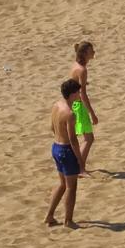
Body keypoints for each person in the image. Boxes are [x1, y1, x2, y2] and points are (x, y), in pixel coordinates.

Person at [45, 79, 86, 228]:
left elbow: (52, 127)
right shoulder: (70, 114)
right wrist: (80, 160)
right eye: (78, 92)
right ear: (72, 94)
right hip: (66, 150)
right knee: (71, 187)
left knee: (62, 184)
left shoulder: (57, 105)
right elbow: (73, 140)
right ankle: (68, 221)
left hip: (56, 147)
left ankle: (49, 215)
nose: (80, 95)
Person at [70, 41, 98, 175]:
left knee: (83, 138)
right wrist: (92, 113)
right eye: (91, 51)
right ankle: (80, 169)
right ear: (85, 53)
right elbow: (83, 94)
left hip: (73, 104)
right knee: (88, 139)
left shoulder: (75, 65)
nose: (94, 52)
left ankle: (77, 167)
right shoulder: (83, 70)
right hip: (79, 106)